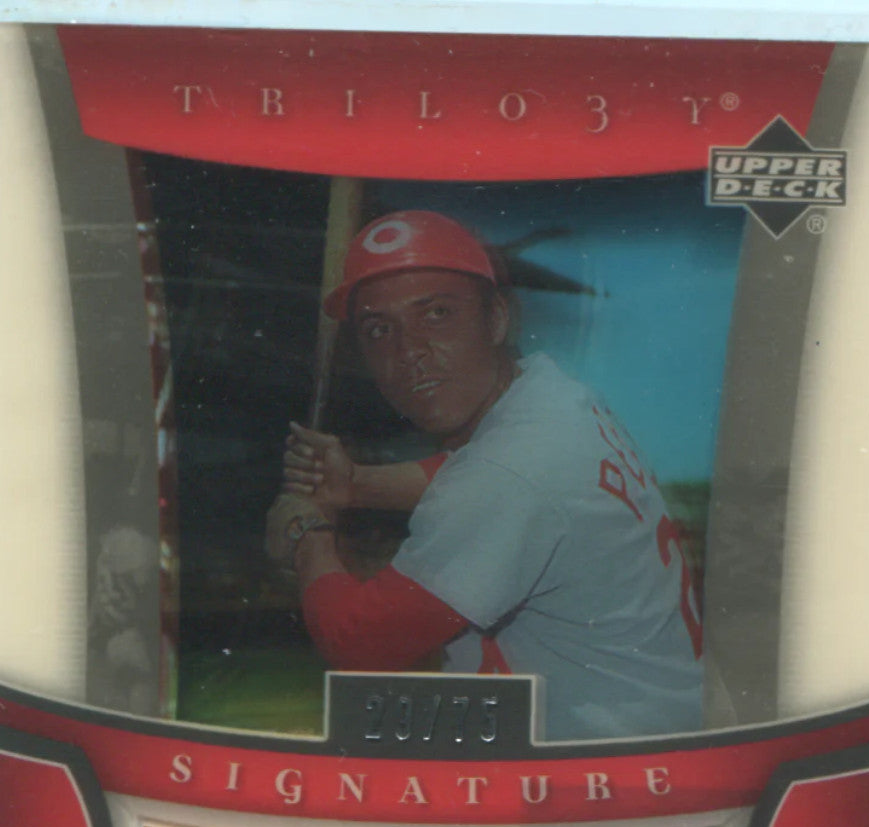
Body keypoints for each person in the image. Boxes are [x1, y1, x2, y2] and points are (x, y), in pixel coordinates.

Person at [267, 210, 703, 741]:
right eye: (380, 330)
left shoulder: (507, 474)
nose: (410, 352)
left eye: (437, 314)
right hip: (650, 722)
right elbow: (476, 473)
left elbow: (361, 642)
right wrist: (356, 483)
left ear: (496, 319)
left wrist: (307, 534)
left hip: (598, 764)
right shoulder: (554, 398)